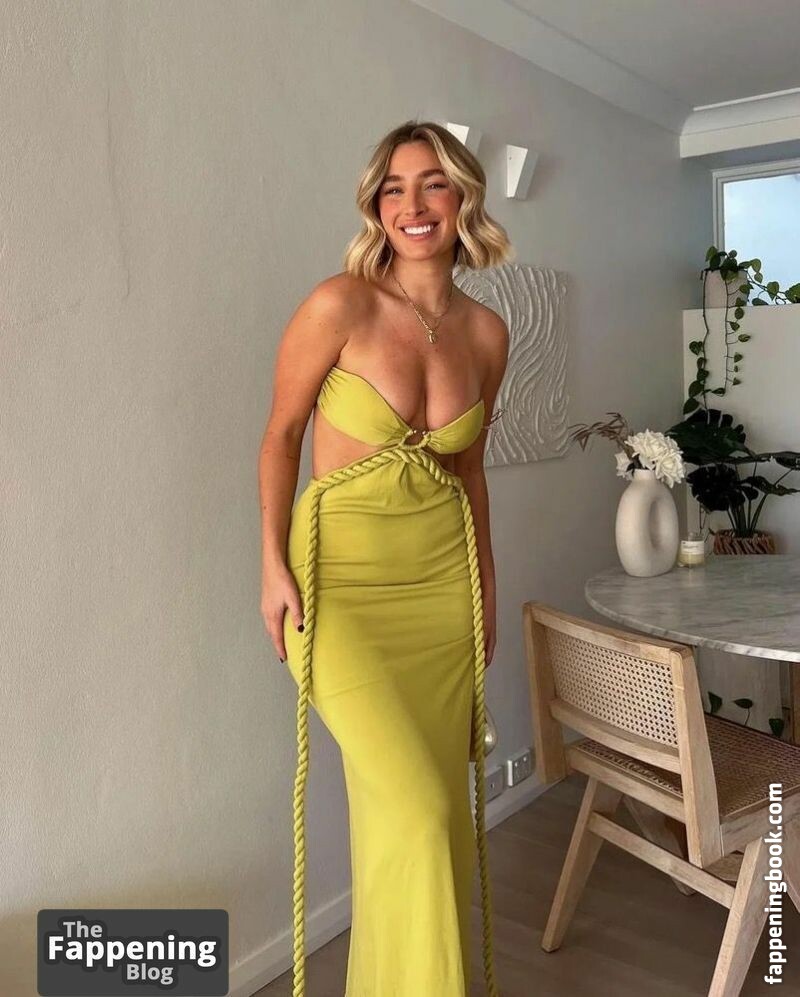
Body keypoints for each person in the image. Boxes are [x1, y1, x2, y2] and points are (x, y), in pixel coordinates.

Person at [259, 119, 512, 996]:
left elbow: (470, 473)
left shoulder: (487, 333)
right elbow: (281, 435)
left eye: (433, 183)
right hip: (341, 589)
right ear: (375, 205)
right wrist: (270, 564)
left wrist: (486, 589)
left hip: (443, 593)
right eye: (394, 187)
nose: (414, 204)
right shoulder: (341, 305)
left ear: (463, 198)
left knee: (421, 825)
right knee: (421, 808)